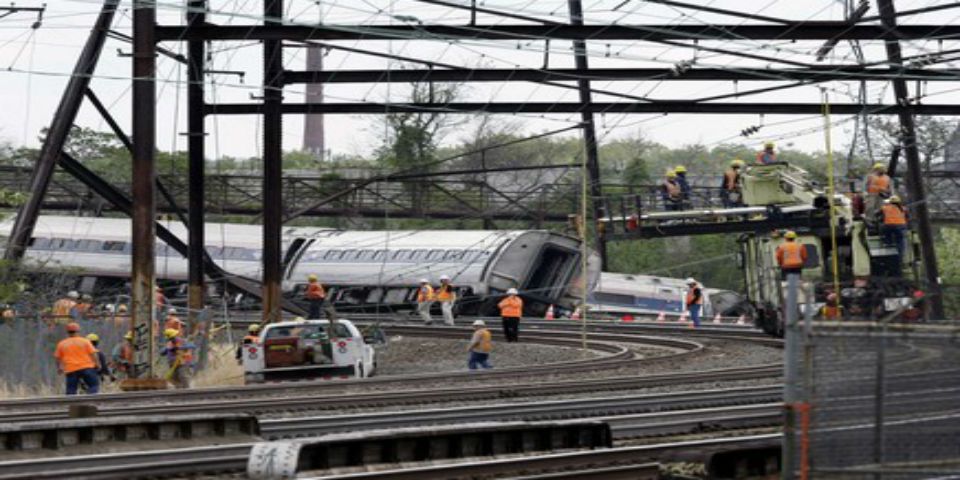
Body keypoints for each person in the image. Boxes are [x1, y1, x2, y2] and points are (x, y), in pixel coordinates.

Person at [53, 322, 100, 395]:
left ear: (67, 332)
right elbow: (94, 354)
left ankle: (73, 405)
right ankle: (90, 400)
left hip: (71, 369)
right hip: (87, 368)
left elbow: (57, 358)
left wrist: (59, 368)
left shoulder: (62, 344)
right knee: (94, 386)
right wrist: (97, 364)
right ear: (78, 331)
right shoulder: (85, 341)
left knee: (71, 391)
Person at [864, 163, 892, 230]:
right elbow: (866, 185)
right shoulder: (870, 176)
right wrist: (865, 193)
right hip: (872, 194)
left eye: (884, 168)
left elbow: (889, 187)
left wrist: (888, 193)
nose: (884, 170)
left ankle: (879, 222)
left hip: (882, 195)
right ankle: (869, 221)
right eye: (882, 168)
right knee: (870, 207)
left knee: (881, 209)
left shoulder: (887, 177)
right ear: (877, 169)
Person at [881, 196, 909, 262]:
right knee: (900, 241)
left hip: (889, 226)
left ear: (890, 202)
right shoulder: (903, 209)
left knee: (886, 234)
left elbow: (877, 214)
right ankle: (900, 256)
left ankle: (888, 244)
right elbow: (907, 218)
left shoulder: (885, 208)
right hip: (901, 226)